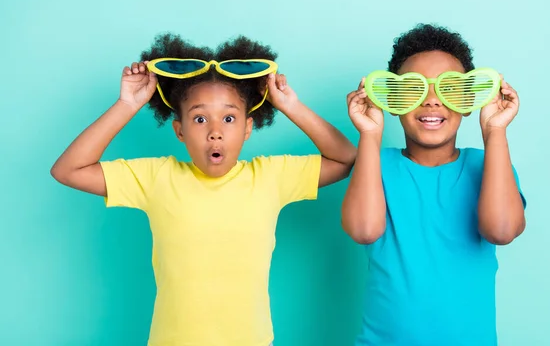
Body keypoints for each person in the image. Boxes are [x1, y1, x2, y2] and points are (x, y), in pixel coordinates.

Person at [51, 33, 356, 346]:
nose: (215, 133)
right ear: (179, 130)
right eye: (199, 119)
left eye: (228, 118)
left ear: (248, 127)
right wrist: (127, 104)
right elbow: (68, 170)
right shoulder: (158, 177)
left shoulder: (270, 177)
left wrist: (290, 105)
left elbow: (346, 159)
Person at [343, 23, 527, 346]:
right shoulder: (376, 163)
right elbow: (363, 229)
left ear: (468, 100)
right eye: (414, 89)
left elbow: (501, 229)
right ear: (392, 100)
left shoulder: (488, 166)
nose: (431, 101)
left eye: (449, 88)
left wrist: (495, 132)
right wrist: (369, 135)